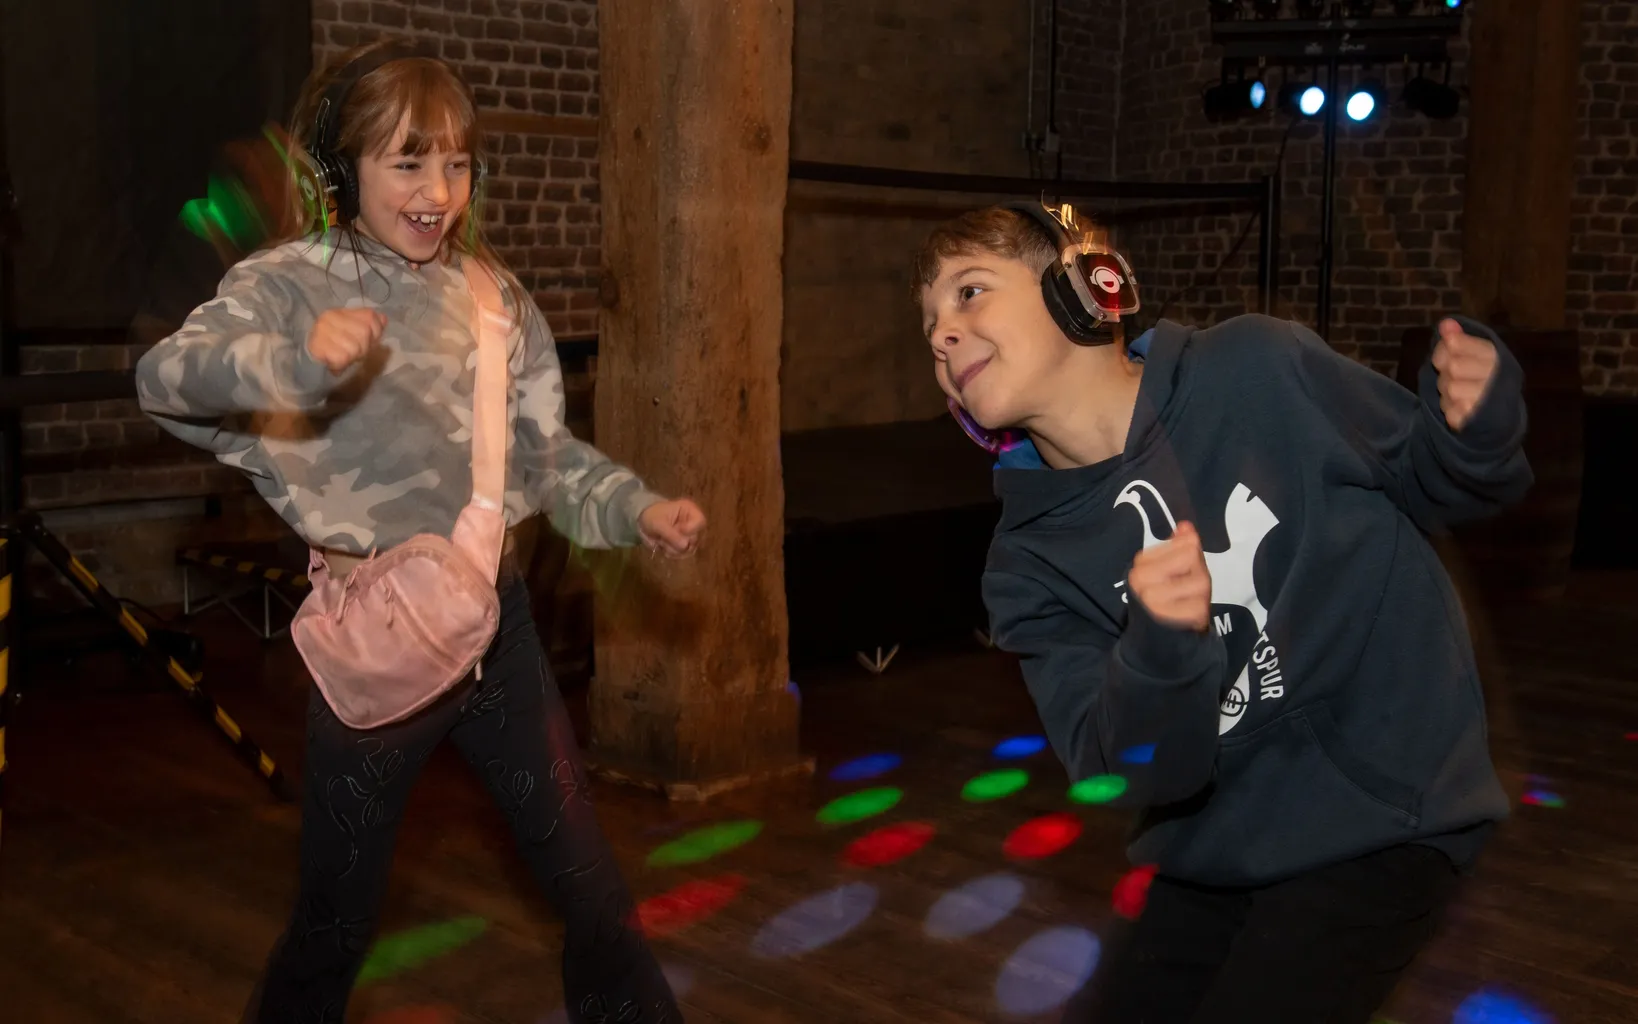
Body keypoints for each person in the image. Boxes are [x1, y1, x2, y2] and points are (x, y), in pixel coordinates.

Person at [135, 41, 698, 1024]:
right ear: (344, 168)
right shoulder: (291, 281)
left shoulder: (492, 296)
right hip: (376, 644)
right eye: (408, 161)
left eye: (458, 162)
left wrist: (633, 507)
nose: (440, 189)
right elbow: (165, 382)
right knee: (336, 922)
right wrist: (288, 358)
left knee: (595, 893)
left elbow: (544, 456)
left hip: (495, 627)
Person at [913, 202, 1531, 1023]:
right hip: (1216, 847)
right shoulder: (1025, 564)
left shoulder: (1258, 367)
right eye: (929, 324)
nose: (941, 335)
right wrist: (1162, 650)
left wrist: (1475, 424)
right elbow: (1124, 768)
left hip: (1384, 812)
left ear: (1084, 287)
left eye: (968, 293)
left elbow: (1437, 480)